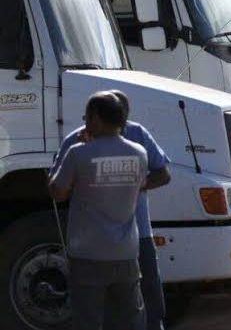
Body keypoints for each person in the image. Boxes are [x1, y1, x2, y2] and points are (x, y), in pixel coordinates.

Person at [51, 90, 171, 330]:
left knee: (99, 315)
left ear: (96, 117)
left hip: (107, 245)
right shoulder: (137, 151)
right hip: (122, 248)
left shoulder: (81, 148)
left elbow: (58, 191)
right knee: (128, 315)